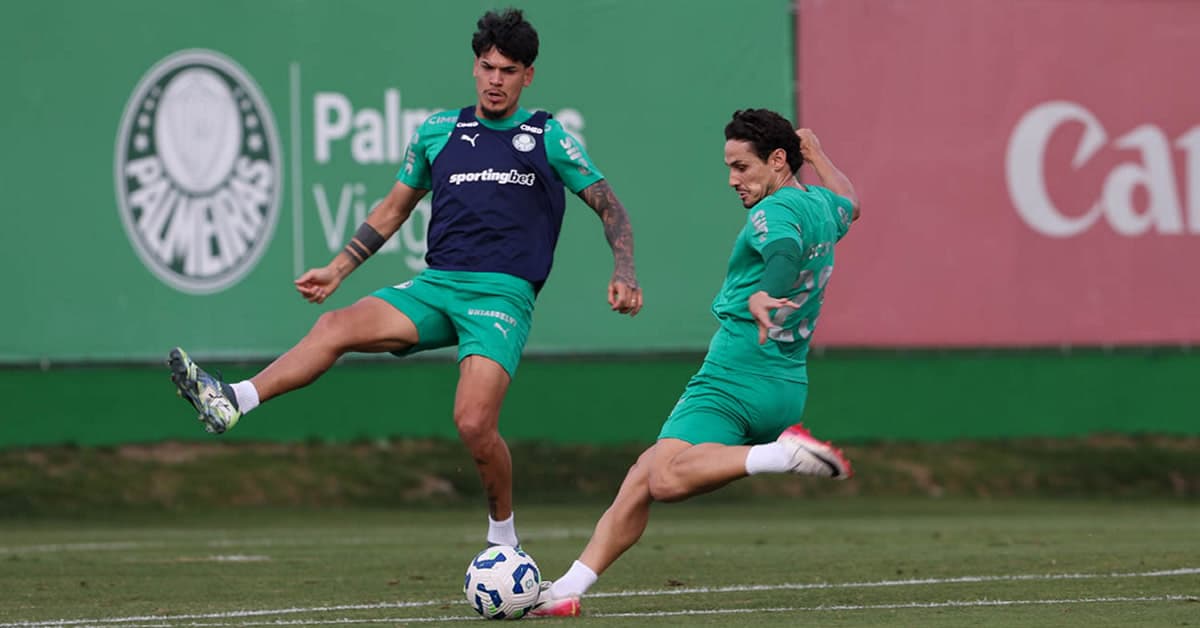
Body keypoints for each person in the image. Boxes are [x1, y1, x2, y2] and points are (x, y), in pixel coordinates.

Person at [167, 8, 642, 550]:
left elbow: (609, 206)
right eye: (487, 67)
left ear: (527, 76)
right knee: (334, 326)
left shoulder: (546, 136)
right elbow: (392, 210)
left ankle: (504, 542)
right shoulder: (439, 131)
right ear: (474, 67)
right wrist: (337, 269)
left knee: (472, 425)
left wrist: (623, 269)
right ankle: (234, 398)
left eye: (508, 71)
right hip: (436, 287)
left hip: (501, 296)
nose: (495, 79)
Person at [530, 109, 860, 618]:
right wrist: (816, 154)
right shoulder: (822, 205)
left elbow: (783, 251)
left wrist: (766, 292)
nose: (733, 179)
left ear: (776, 161)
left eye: (742, 167)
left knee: (663, 479)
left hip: (734, 377)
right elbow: (853, 204)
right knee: (645, 472)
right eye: (728, 167)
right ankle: (568, 588)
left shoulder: (774, 213)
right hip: (787, 384)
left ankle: (780, 455)